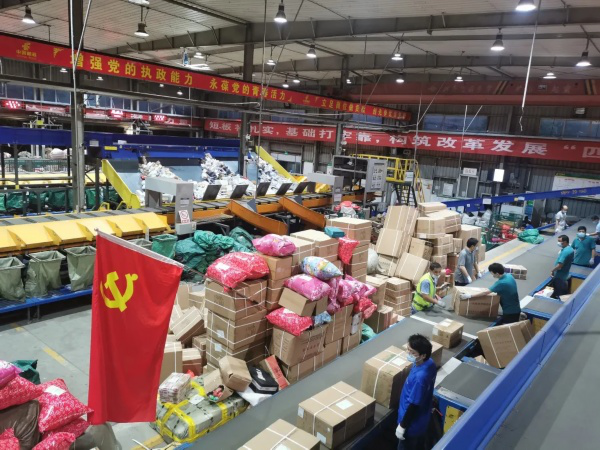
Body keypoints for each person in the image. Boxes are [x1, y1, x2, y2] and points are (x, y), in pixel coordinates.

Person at [396, 334, 437, 450]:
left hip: (411, 425)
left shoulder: (420, 378)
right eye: (408, 349)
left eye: (412, 352)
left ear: (423, 355)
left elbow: (414, 405)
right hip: (423, 417)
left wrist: (403, 426)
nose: (409, 354)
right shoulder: (429, 363)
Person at [551, 234, 574, 299]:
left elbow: (560, 265)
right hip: (565, 273)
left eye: (559, 241)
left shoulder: (565, 252)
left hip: (559, 276)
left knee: (559, 292)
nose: (558, 243)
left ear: (565, 242)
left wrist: (552, 270)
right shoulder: (570, 249)